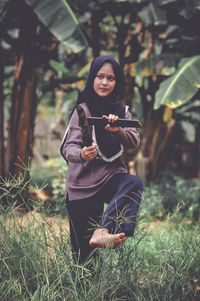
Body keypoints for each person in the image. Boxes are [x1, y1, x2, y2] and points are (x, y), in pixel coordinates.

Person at [60, 55, 143, 264]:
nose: (105, 82)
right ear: (92, 78)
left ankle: (103, 229)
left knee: (133, 183)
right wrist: (81, 154)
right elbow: (69, 146)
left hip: (109, 176)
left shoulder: (121, 110)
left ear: (116, 83)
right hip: (81, 185)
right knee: (84, 259)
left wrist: (118, 130)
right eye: (100, 76)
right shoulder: (82, 110)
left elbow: (134, 139)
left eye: (111, 78)